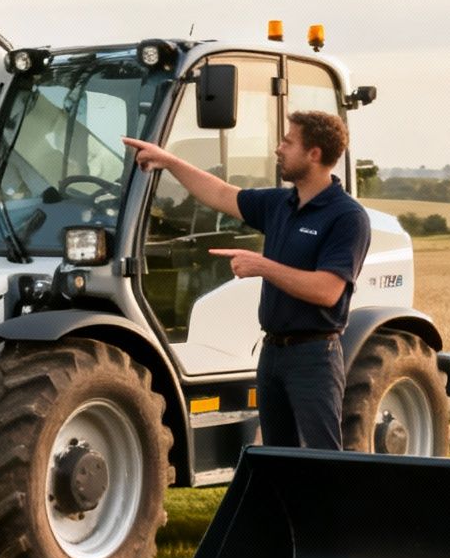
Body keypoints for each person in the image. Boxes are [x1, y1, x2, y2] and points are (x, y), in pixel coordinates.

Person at [122, 111, 370, 449]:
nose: (278, 149)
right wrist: (169, 161)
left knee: (323, 460)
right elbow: (221, 194)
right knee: (277, 461)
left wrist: (263, 266)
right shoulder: (280, 203)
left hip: (314, 357)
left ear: (314, 154)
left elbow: (328, 291)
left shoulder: (347, 217)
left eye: (288, 141)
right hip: (272, 355)